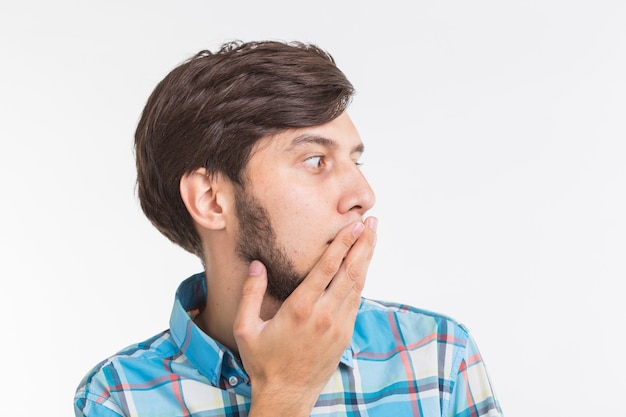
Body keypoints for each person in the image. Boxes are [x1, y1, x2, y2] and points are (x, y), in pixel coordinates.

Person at [74, 40, 503, 417]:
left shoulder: (437, 355)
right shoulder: (119, 399)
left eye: (355, 161)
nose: (363, 194)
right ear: (210, 200)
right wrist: (286, 396)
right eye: (315, 160)